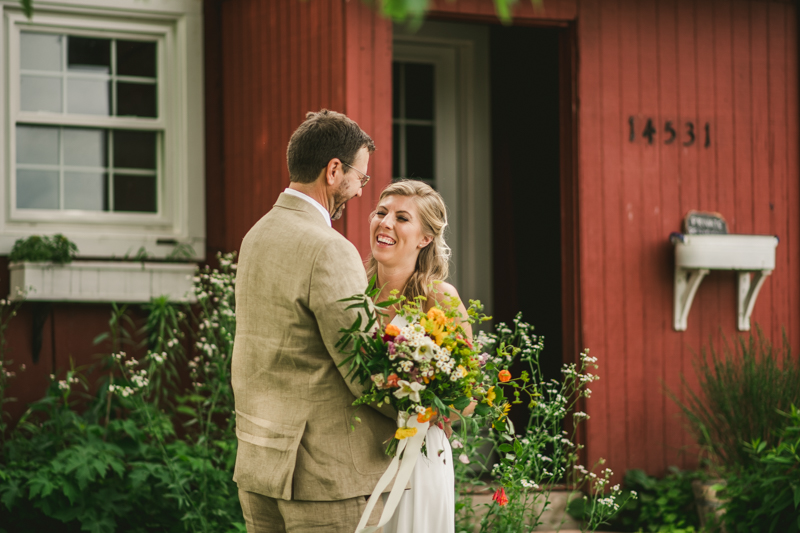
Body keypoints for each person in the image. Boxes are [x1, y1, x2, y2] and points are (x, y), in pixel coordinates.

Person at [231, 110, 396, 533]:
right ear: (334, 170)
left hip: (259, 464)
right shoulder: (329, 248)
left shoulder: (256, 236)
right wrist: (422, 411)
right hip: (325, 478)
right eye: (361, 178)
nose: (360, 192)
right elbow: (364, 367)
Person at [365, 179, 472, 533]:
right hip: (355, 457)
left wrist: (420, 405)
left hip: (418, 458)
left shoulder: (439, 299)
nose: (385, 223)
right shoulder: (353, 292)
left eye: (401, 218)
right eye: (381, 213)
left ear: (426, 237)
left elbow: (467, 399)